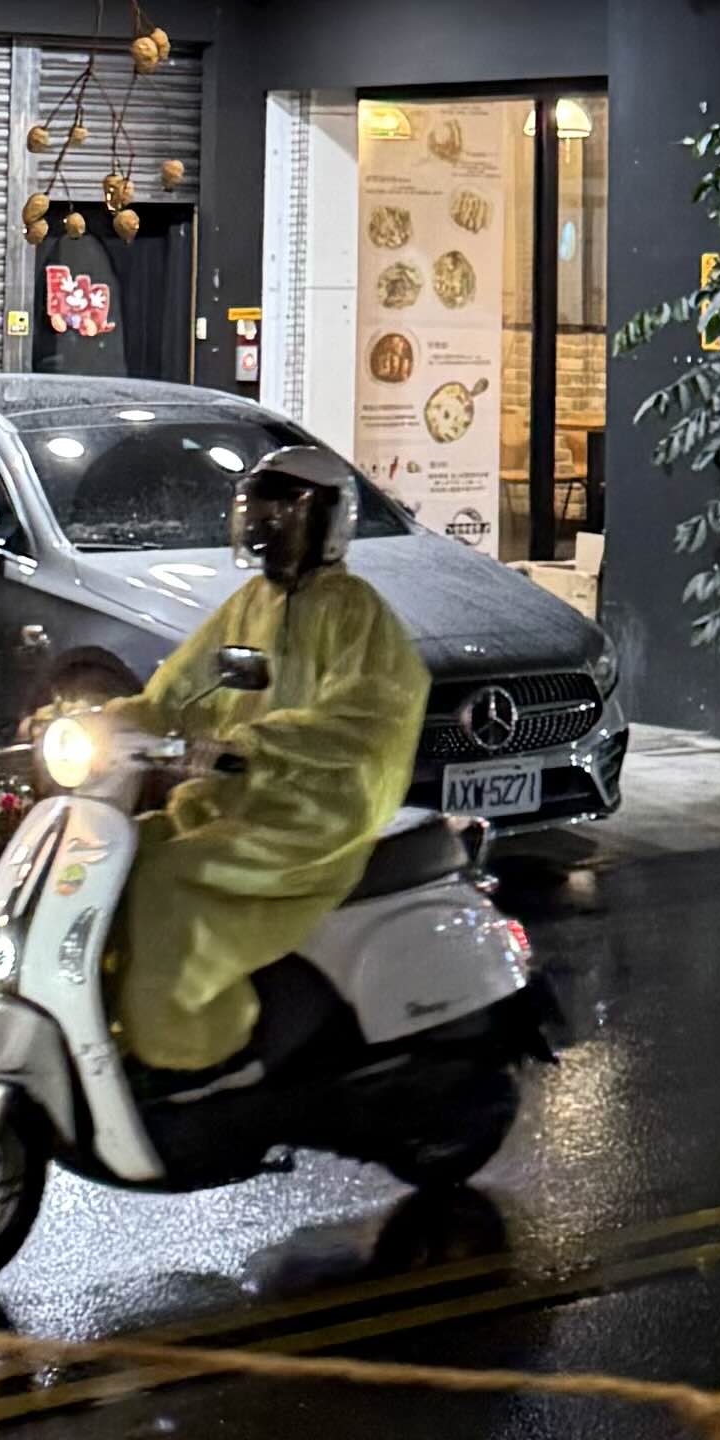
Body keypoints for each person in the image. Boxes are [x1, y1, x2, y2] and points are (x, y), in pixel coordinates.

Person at [113, 451, 426, 1074]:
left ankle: (199, 1054)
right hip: (237, 801)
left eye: (283, 510)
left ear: (325, 521)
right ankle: (127, 1026)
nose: (265, 524)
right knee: (129, 852)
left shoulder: (355, 609)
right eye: (260, 509)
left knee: (169, 878)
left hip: (316, 816)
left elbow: (363, 716)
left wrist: (254, 745)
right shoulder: (250, 603)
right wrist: (104, 723)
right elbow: (178, 690)